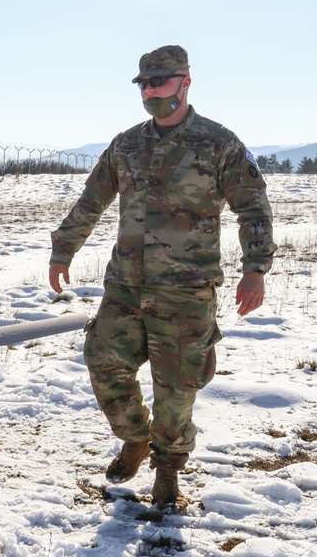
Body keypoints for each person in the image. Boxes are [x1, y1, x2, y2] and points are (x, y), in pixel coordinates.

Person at [48, 45, 276, 513]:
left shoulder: (219, 143)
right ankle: (134, 439)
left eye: (160, 81)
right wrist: (62, 249)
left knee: (177, 388)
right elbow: (91, 201)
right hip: (125, 286)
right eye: (144, 84)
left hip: (186, 291)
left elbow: (252, 206)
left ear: (185, 82)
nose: (151, 91)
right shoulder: (126, 144)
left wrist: (256, 268)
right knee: (103, 362)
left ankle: (168, 471)